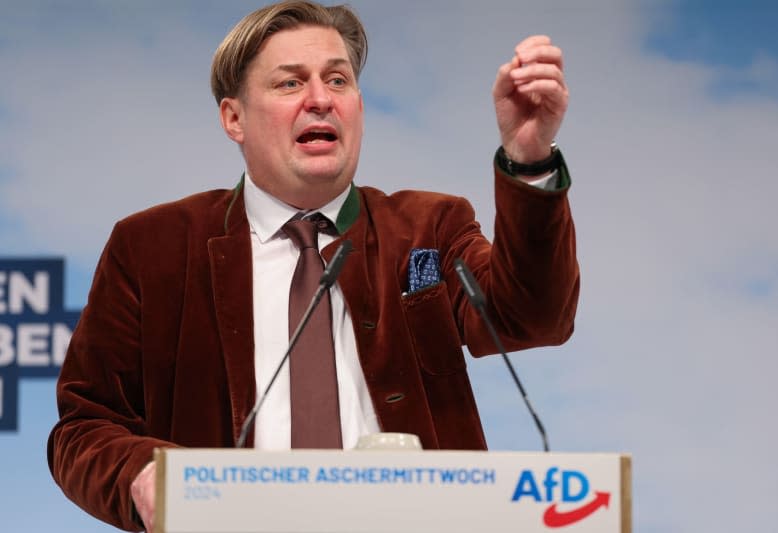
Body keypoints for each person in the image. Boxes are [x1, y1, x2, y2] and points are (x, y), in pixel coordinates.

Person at [48, 1, 579, 531]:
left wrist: (529, 160)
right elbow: (85, 425)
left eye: (338, 80)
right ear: (234, 118)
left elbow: (533, 317)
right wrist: (144, 474)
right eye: (290, 84)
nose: (321, 99)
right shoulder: (152, 248)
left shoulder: (429, 227)